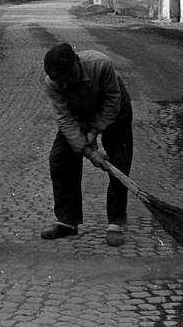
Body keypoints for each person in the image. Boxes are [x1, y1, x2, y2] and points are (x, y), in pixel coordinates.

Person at [41, 43, 133, 247]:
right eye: (60, 82)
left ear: (76, 62)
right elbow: (64, 119)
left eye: (68, 78)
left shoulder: (101, 64)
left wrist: (93, 132)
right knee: (59, 159)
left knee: (120, 158)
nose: (65, 85)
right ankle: (67, 221)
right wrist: (89, 152)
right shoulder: (53, 83)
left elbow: (112, 102)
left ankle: (115, 223)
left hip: (114, 109)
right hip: (78, 113)